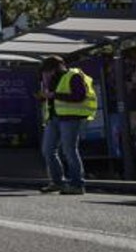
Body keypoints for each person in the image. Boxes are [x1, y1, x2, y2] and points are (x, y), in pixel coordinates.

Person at [37, 55, 97, 195]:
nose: (48, 73)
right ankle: (57, 182)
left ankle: (77, 184)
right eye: (46, 71)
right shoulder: (49, 80)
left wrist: (54, 95)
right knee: (48, 150)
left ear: (58, 67)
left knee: (69, 150)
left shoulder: (73, 75)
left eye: (49, 70)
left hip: (70, 118)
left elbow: (79, 96)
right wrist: (43, 95)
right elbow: (50, 99)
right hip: (53, 118)